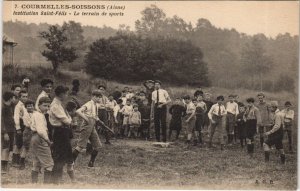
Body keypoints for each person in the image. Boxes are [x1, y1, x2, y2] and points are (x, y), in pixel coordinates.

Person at [49, 86, 74, 184]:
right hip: (60, 132)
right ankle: (55, 180)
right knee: (60, 157)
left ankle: (57, 178)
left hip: (63, 131)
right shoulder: (55, 105)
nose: (66, 95)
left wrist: (68, 119)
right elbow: (67, 121)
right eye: (66, 93)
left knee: (62, 156)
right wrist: (69, 119)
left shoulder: (59, 104)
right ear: (61, 94)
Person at [72, 90, 103, 168]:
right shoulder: (89, 104)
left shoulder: (96, 105)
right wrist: (86, 118)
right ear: (93, 96)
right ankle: (71, 163)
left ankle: (91, 164)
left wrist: (99, 120)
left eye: (100, 97)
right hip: (86, 126)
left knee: (97, 146)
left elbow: (94, 115)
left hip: (92, 126)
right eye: (98, 97)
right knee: (80, 146)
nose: (99, 99)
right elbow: (78, 111)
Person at [30, 96, 54, 184]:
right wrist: (48, 141)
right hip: (40, 138)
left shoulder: (37, 114)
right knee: (49, 164)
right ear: (39, 105)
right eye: (44, 105)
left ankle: (34, 185)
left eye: (48, 106)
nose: (47, 108)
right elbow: (41, 131)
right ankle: (46, 187)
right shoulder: (39, 115)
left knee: (37, 161)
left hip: (35, 138)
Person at [12, 90, 28, 168]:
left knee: (21, 143)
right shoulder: (18, 106)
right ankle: (14, 160)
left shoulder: (25, 105)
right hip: (20, 126)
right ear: (19, 97)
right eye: (23, 96)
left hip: (24, 125)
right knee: (18, 143)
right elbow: (16, 117)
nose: (25, 98)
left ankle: (18, 160)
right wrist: (18, 128)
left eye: (26, 96)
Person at [1, 92, 16, 174]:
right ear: (10, 98)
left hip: (11, 130)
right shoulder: (3, 108)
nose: (15, 99)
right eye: (14, 98)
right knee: (5, 148)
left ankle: (5, 165)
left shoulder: (11, 106)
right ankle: (3, 167)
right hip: (6, 131)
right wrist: (5, 132)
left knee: (9, 148)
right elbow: (1, 121)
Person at [19, 99, 35, 170]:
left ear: (33, 106)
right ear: (26, 107)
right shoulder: (25, 115)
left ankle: (36, 165)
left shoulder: (35, 113)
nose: (30, 107)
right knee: (26, 147)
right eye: (28, 106)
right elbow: (28, 124)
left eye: (31, 106)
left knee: (36, 147)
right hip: (28, 131)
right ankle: (21, 162)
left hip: (34, 131)